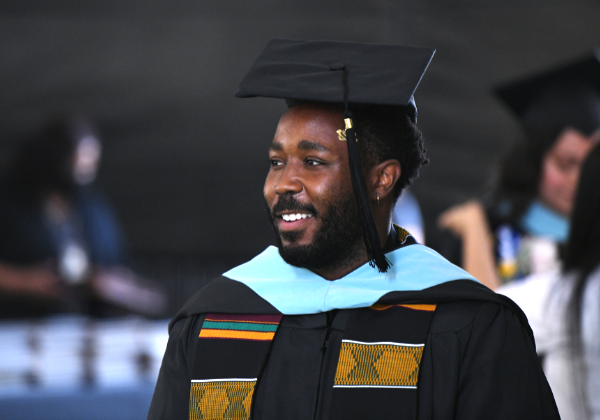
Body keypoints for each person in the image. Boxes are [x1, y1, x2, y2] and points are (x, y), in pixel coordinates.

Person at [148, 39, 559, 420]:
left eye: (313, 162)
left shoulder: (469, 324)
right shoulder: (212, 320)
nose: (283, 183)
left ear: (382, 179)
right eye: (277, 162)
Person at [438, 51, 600, 289]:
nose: (579, 179)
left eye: (592, 166)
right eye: (565, 164)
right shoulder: (484, 228)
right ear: (533, 162)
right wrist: (474, 230)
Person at [0, 117, 165, 317]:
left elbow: (137, 285)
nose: (83, 172)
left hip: (85, 330)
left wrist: (106, 286)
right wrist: (26, 282)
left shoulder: (94, 209)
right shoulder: (10, 204)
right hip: (17, 328)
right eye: (76, 162)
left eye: (90, 163)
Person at [498, 143, 600, 420]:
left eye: (581, 168)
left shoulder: (564, 295)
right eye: (566, 165)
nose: (573, 180)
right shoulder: (497, 228)